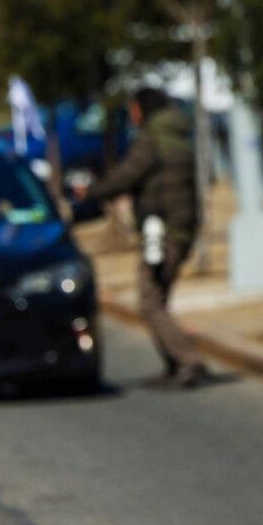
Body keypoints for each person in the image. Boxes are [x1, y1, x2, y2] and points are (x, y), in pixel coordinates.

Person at [74, 88, 209, 388]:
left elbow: (128, 174)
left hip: (162, 231)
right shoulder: (176, 134)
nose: (131, 116)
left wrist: (92, 192)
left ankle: (188, 361)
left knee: (150, 301)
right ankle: (175, 364)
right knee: (156, 296)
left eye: (133, 109)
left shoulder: (152, 139)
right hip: (179, 227)